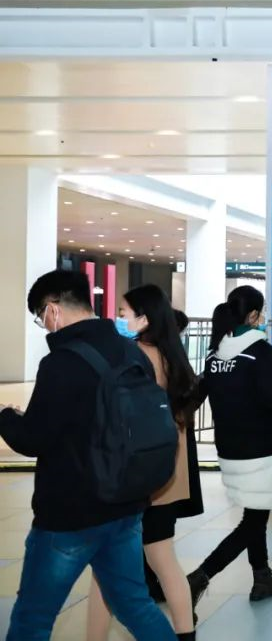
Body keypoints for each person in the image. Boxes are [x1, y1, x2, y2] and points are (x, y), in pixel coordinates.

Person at [0, 270, 176, 641]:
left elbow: (33, 438)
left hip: (70, 515)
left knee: (33, 618)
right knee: (135, 605)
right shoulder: (131, 352)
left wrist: (5, 417)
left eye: (41, 318)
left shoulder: (61, 362)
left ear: (52, 310)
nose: (45, 326)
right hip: (126, 505)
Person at [87, 285, 204, 641]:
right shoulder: (173, 355)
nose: (119, 318)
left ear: (144, 318)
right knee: (164, 561)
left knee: (105, 569)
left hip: (133, 475)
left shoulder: (133, 355)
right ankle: (185, 634)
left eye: (124, 312)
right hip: (167, 473)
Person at [187, 286, 272, 613]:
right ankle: (200, 576)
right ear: (253, 315)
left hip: (228, 447)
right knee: (253, 521)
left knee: (253, 512)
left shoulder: (214, 353)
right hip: (258, 447)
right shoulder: (259, 351)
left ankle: (262, 576)